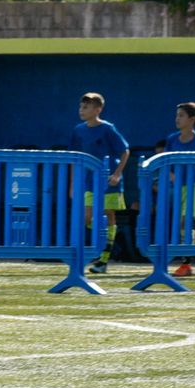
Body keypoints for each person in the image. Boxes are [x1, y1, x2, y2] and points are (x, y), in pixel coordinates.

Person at [69, 92, 130, 275]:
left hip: (108, 182)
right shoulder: (78, 130)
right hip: (88, 181)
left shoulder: (108, 129)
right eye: (81, 106)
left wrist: (117, 174)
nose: (82, 110)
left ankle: (103, 260)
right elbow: (74, 157)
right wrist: (73, 184)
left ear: (98, 109)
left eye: (86, 107)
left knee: (107, 215)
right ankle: (109, 241)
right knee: (87, 218)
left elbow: (124, 151)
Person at [158, 102, 195, 278]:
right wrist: (173, 177)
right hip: (179, 188)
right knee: (189, 224)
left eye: (181, 115)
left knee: (185, 221)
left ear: (192, 119)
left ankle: (187, 263)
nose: (177, 119)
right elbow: (166, 162)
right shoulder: (172, 139)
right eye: (177, 115)